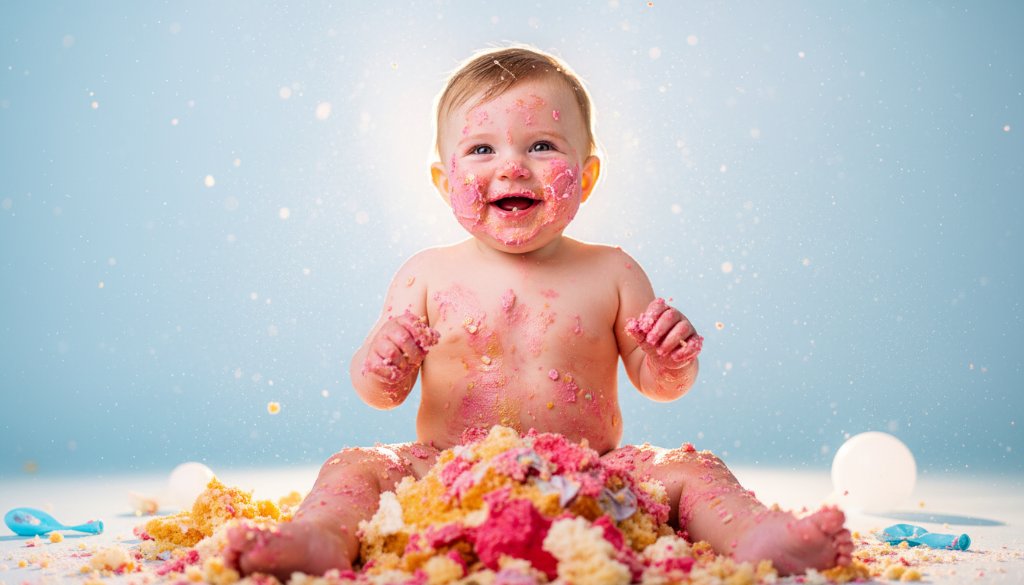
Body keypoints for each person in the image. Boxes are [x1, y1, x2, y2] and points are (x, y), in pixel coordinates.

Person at [226, 45, 853, 580]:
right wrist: (383, 361)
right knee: (354, 467)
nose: (511, 166)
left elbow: (658, 386)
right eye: (481, 148)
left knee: (693, 469)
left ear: (587, 176)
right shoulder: (426, 274)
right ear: (443, 182)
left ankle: (759, 539)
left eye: (542, 144)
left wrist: (670, 359)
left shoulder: (612, 271)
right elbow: (379, 394)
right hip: (446, 473)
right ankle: (318, 540)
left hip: (593, 476)